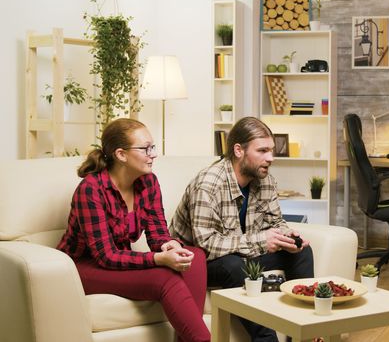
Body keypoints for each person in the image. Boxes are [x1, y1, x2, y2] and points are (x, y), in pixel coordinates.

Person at [56, 118, 211, 342]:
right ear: (121, 154)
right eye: (145, 148)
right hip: (82, 267)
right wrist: (159, 259)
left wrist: (169, 245)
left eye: (153, 147)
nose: (153, 154)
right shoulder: (90, 190)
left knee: (194, 256)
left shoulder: (148, 182)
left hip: (118, 260)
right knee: (164, 278)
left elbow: (158, 234)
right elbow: (105, 256)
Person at [169, 116, 314, 342]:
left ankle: (305, 335)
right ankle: (267, 339)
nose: (271, 158)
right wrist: (260, 241)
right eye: (262, 150)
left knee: (302, 252)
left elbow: (275, 222)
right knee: (233, 266)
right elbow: (205, 244)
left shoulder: (265, 180)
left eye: (271, 150)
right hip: (199, 263)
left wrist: (287, 237)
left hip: (241, 255)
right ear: (238, 150)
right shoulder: (208, 184)